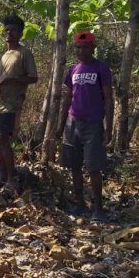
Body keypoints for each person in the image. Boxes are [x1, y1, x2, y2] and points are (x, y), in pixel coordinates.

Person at [57, 31, 114, 222]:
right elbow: (67, 98)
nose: (81, 50)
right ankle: (79, 203)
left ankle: (98, 208)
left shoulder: (101, 69)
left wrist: (109, 127)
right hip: (73, 123)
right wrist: (60, 124)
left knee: (93, 167)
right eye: (78, 47)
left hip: (93, 124)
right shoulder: (73, 71)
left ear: (93, 48)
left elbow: (108, 99)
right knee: (74, 166)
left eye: (85, 47)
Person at [0, 15, 38, 188]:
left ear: (20, 33)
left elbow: (33, 78)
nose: (9, 33)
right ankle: (1, 175)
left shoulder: (24, 53)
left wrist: (12, 81)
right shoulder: (3, 56)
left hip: (11, 104)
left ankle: (11, 178)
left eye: (13, 30)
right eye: (7, 30)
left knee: (4, 138)